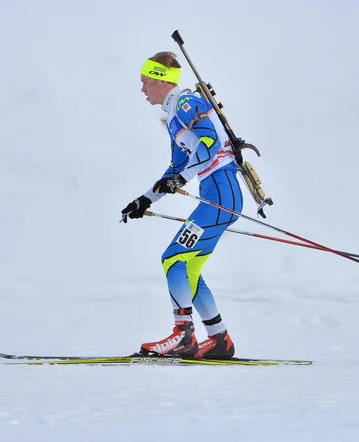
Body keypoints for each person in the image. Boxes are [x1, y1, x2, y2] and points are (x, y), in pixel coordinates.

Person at [121, 51, 243, 359]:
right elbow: (175, 171)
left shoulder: (188, 104)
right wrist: (143, 200)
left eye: (145, 81)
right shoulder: (174, 119)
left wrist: (179, 181)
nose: (142, 89)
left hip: (221, 192)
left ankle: (183, 335)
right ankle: (218, 339)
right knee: (188, 269)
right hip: (215, 193)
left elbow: (208, 145)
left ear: (161, 81)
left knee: (173, 258)